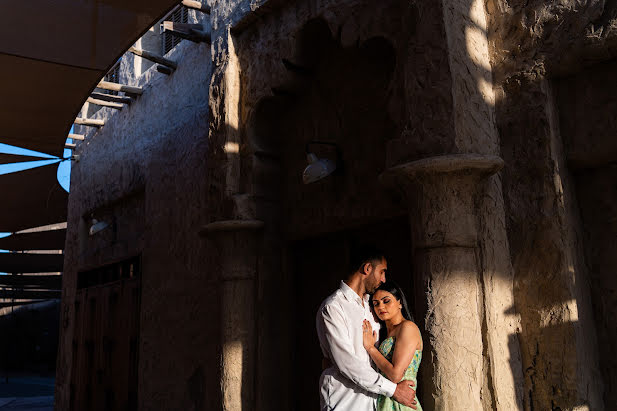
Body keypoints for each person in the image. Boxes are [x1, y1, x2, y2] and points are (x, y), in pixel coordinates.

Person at [316, 245, 417, 410]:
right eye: (382, 272)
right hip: (346, 403)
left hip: (375, 403)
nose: (384, 279)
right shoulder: (334, 307)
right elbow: (347, 363)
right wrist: (394, 390)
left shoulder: (372, 307)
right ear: (367, 268)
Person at [362, 280, 423, 411]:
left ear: (399, 302)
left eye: (386, 301)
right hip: (385, 400)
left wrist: (371, 348)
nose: (380, 307)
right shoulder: (384, 333)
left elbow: (396, 375)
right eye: (375, 304)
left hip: (402, 403)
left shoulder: (408, 327)